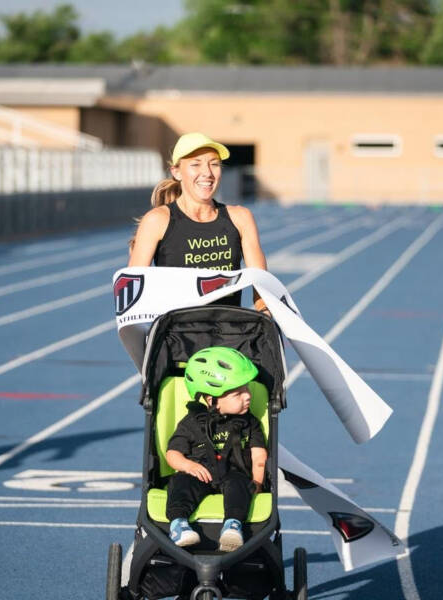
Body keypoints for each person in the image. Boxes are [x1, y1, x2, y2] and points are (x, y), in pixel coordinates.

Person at [128, 132, 268, 311]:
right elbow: (133, 292)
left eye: (214, 164)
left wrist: (266, 316)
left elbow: (261, 285)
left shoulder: (240, 218)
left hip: (229, 334)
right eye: (195, 164)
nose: (207, 173)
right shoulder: (157, 221)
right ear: (176, 172)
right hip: (178, 335)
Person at [165, 346, 268, 552]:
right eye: (238, 393)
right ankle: (179, 524)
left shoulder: (250, 423)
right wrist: (187, 465)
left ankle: (232, 526)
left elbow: (259, 455)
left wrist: (257, 482)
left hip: (234, 473)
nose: (247, 396)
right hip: (199, 473)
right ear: (212, 400)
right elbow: (172, 453)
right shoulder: (192, 422)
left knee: (240, 486)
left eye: (247, 389)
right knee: (180, 483)